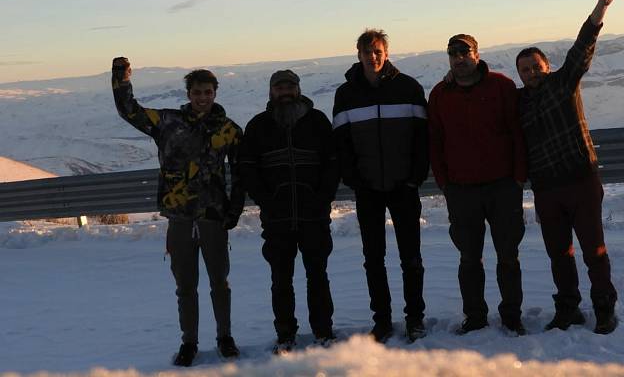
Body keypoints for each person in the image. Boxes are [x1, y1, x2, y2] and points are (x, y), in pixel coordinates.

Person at [111, 58, 244, 367]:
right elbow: (129, 111)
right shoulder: (168, 122)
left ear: (215, 93)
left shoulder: (228, 130)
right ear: (188, 94)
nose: (203, 98)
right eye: (197, 92)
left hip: (212, 215)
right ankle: (189, 342)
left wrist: (234, 208)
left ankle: (224, 337)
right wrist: (121, 79)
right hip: (180, 217)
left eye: (208, 92)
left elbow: (241, 172)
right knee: (185, 285)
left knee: (219, 282)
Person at [516, 0, 619, 334]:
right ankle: (568, 308)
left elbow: (583, 46)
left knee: (594, 251)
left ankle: (604, 307)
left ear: (547, 66)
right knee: (559, 255)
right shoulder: (518, 104)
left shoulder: (564, 82)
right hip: (546, 189)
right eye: (524, 70)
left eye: (535, 66)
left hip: (580, 180)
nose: (531, 73)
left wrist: (600, 9)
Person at [332, 29, 429, 343]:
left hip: (404, 186)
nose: (372, 57)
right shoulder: (346, 94)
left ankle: (415, 318)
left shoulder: (408, 87)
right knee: (373, 258)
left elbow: (422, 138)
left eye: (377, 52)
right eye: (367, 52)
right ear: (358, 54)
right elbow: (341, 143)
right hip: (368, 189)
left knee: (410, 257)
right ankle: (383, 321)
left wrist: (415, 176)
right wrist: (354, 179)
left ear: (386, 53)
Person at [428, 34, 528, 336]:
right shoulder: (440, 94)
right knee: (469, 257)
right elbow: (435, 141)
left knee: (508, 256)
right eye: (452, 53)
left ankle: (511, 315)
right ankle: (475, 317)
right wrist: (445, 182)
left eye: (464, 52)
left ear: (476, 54)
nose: (459, 58)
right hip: (461, 189)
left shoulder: (501, 86)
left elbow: (517, 132)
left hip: (503, 186)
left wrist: (518, 177)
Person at [238, 70, 339, 354]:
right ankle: (285, 335)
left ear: (298, 89)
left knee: (318, 276)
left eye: (290, 87)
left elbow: (333, 162)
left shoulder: (317, 122)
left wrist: (323, 197)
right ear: (271, 91)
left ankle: (323, 331)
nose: (285, 92)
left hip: (314, 216)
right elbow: (247, 167)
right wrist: (266, 200)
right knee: (281, 280)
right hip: (276, 218)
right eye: (279, 87)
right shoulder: (258, 126)